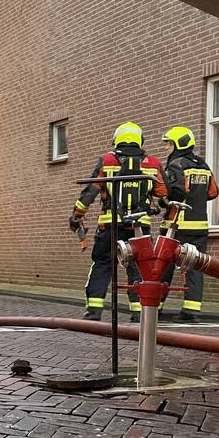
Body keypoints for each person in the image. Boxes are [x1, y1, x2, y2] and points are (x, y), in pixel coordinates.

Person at [70, 122, 168, 322]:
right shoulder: (153, 163)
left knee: (103, 264)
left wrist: (77, 215)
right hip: (140, 227)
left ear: (116, 139)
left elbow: (90, 192)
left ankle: (94, 311)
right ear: (140, 140)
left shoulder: (107, 160)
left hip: (110, 225)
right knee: (138, 267)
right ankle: (138, 312)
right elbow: (163, 193)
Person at [160, 126, 219, 323]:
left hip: (177, 226)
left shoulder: (176, 165)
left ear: (178, 144)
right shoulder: (203, 165)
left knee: (164, 265)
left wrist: (162, 202)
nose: (166, 148)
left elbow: (174, 192)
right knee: (195, 267)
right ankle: (191, 311)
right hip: (200, 226)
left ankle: (155, 308)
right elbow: (213, 193)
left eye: (168, 143)